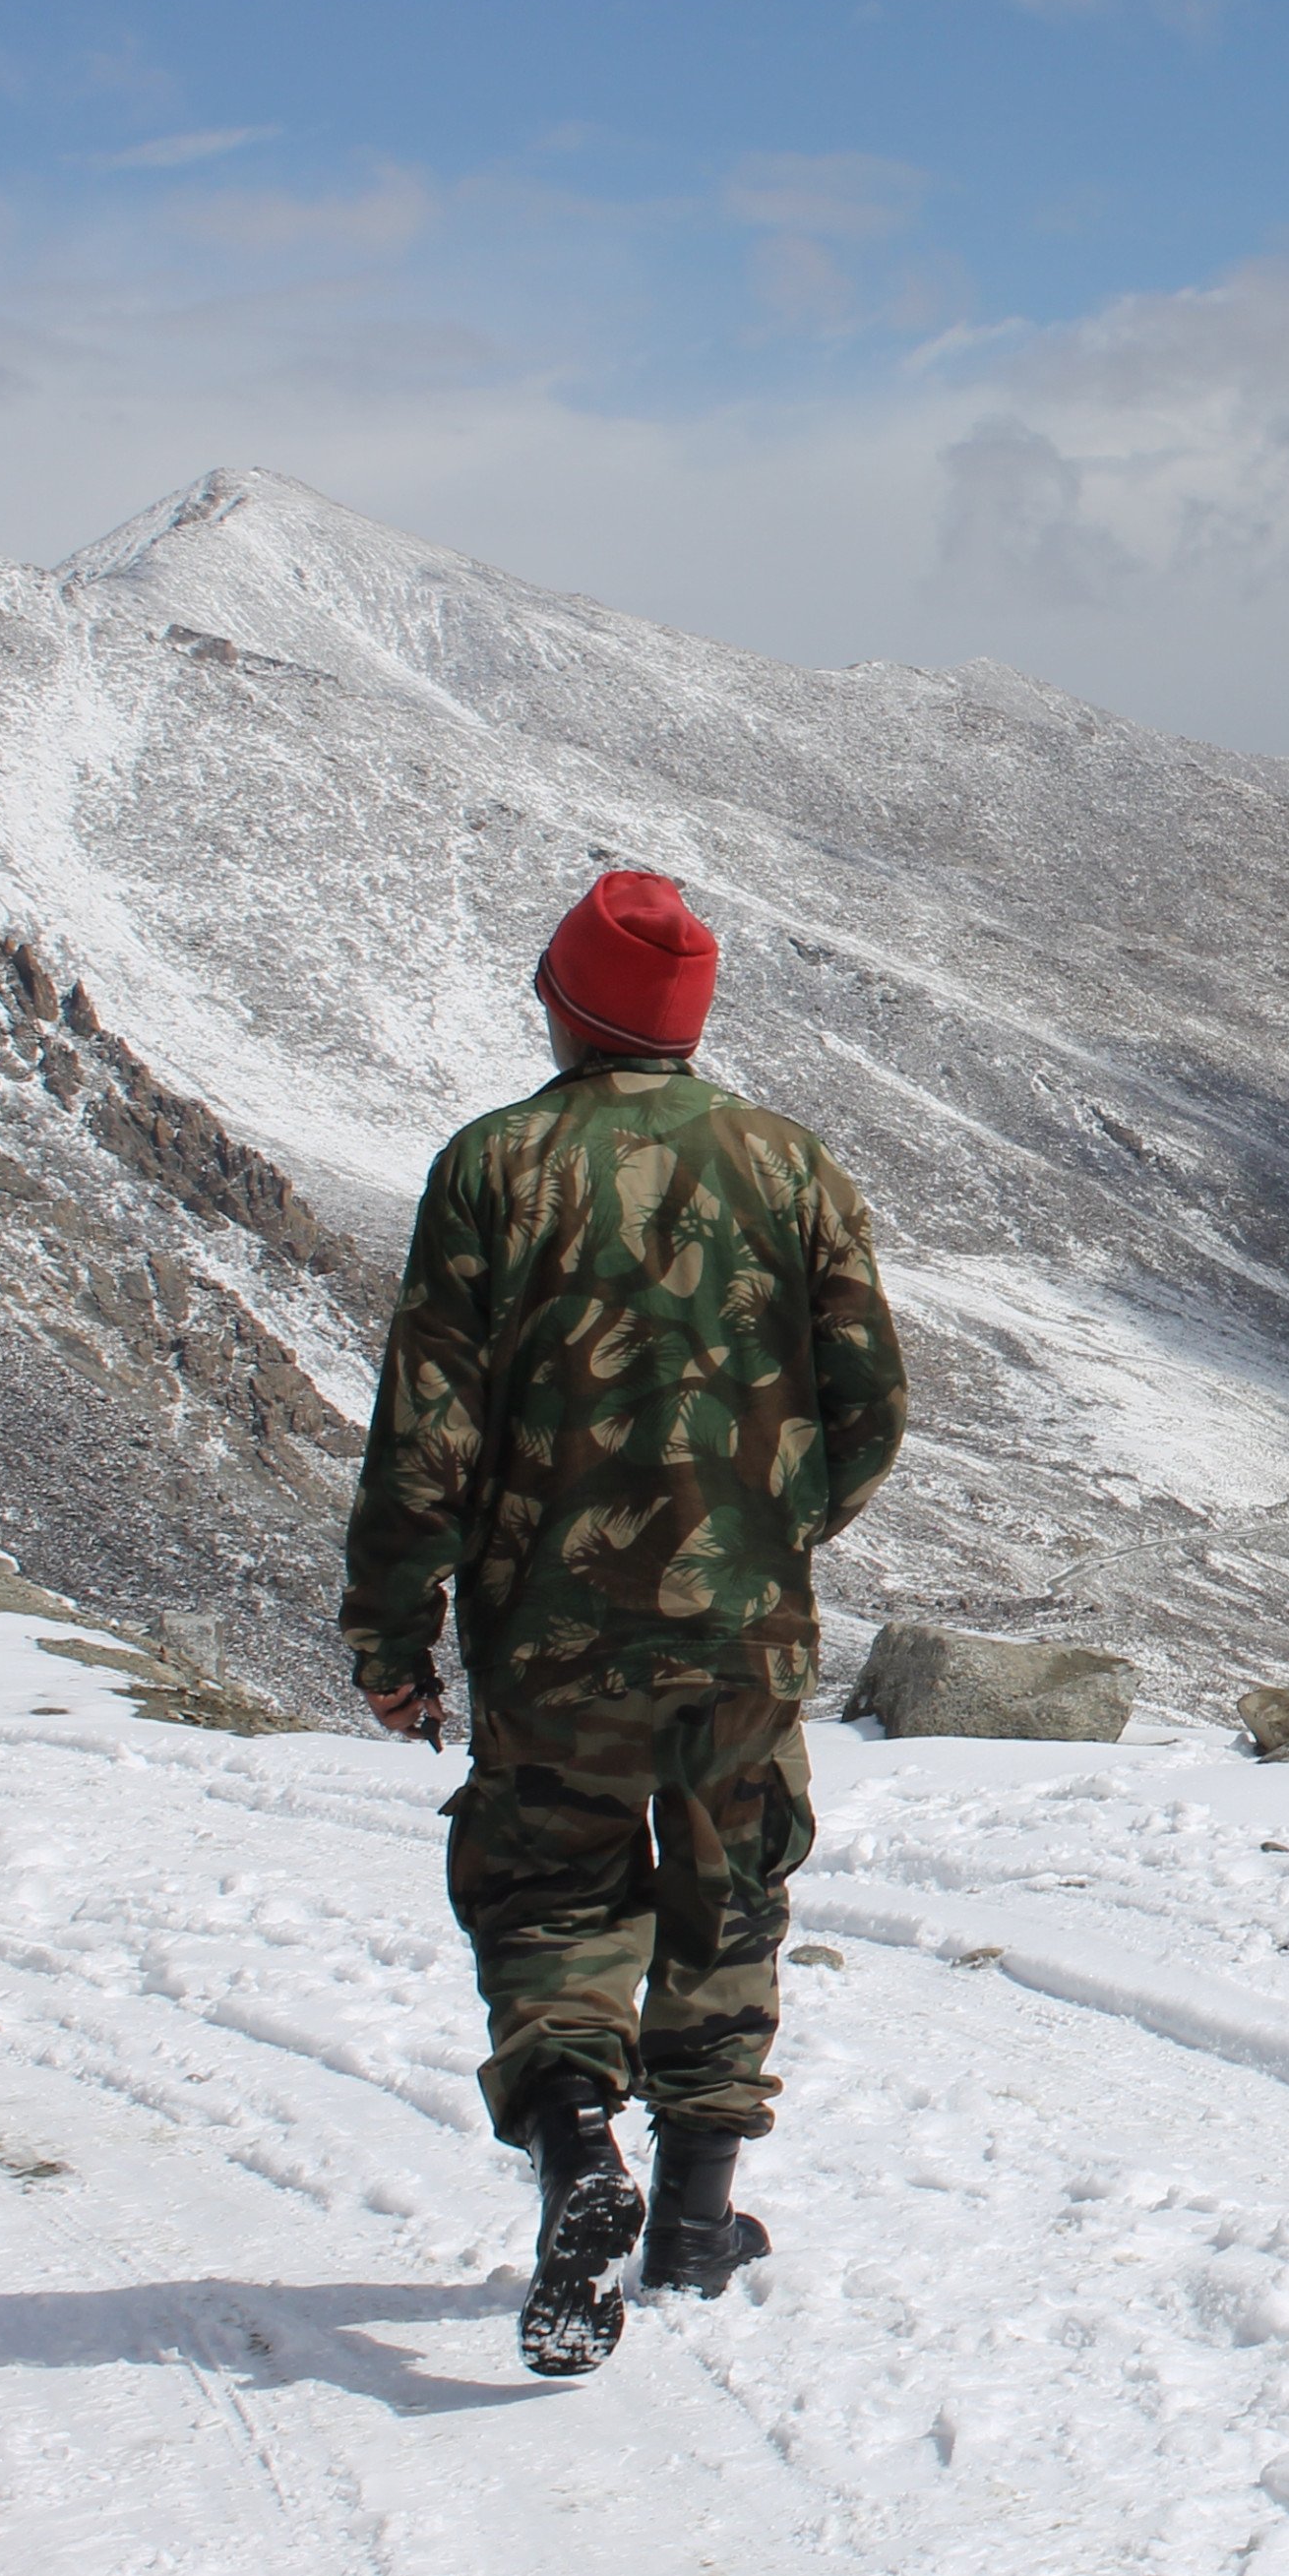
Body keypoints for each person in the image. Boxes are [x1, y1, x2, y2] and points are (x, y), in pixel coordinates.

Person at [341, 870, 906, 2377]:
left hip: (550, 1630)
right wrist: (768, 1535)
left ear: (571, 1002)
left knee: (551, 1892)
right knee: (733, 1889)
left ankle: (580, 2145)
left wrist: (394, 1636)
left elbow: (424, 1437)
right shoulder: (795, 1167)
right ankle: (697, 2219)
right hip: (745, 1627)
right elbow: (870, 1405)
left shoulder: (493, 1167)